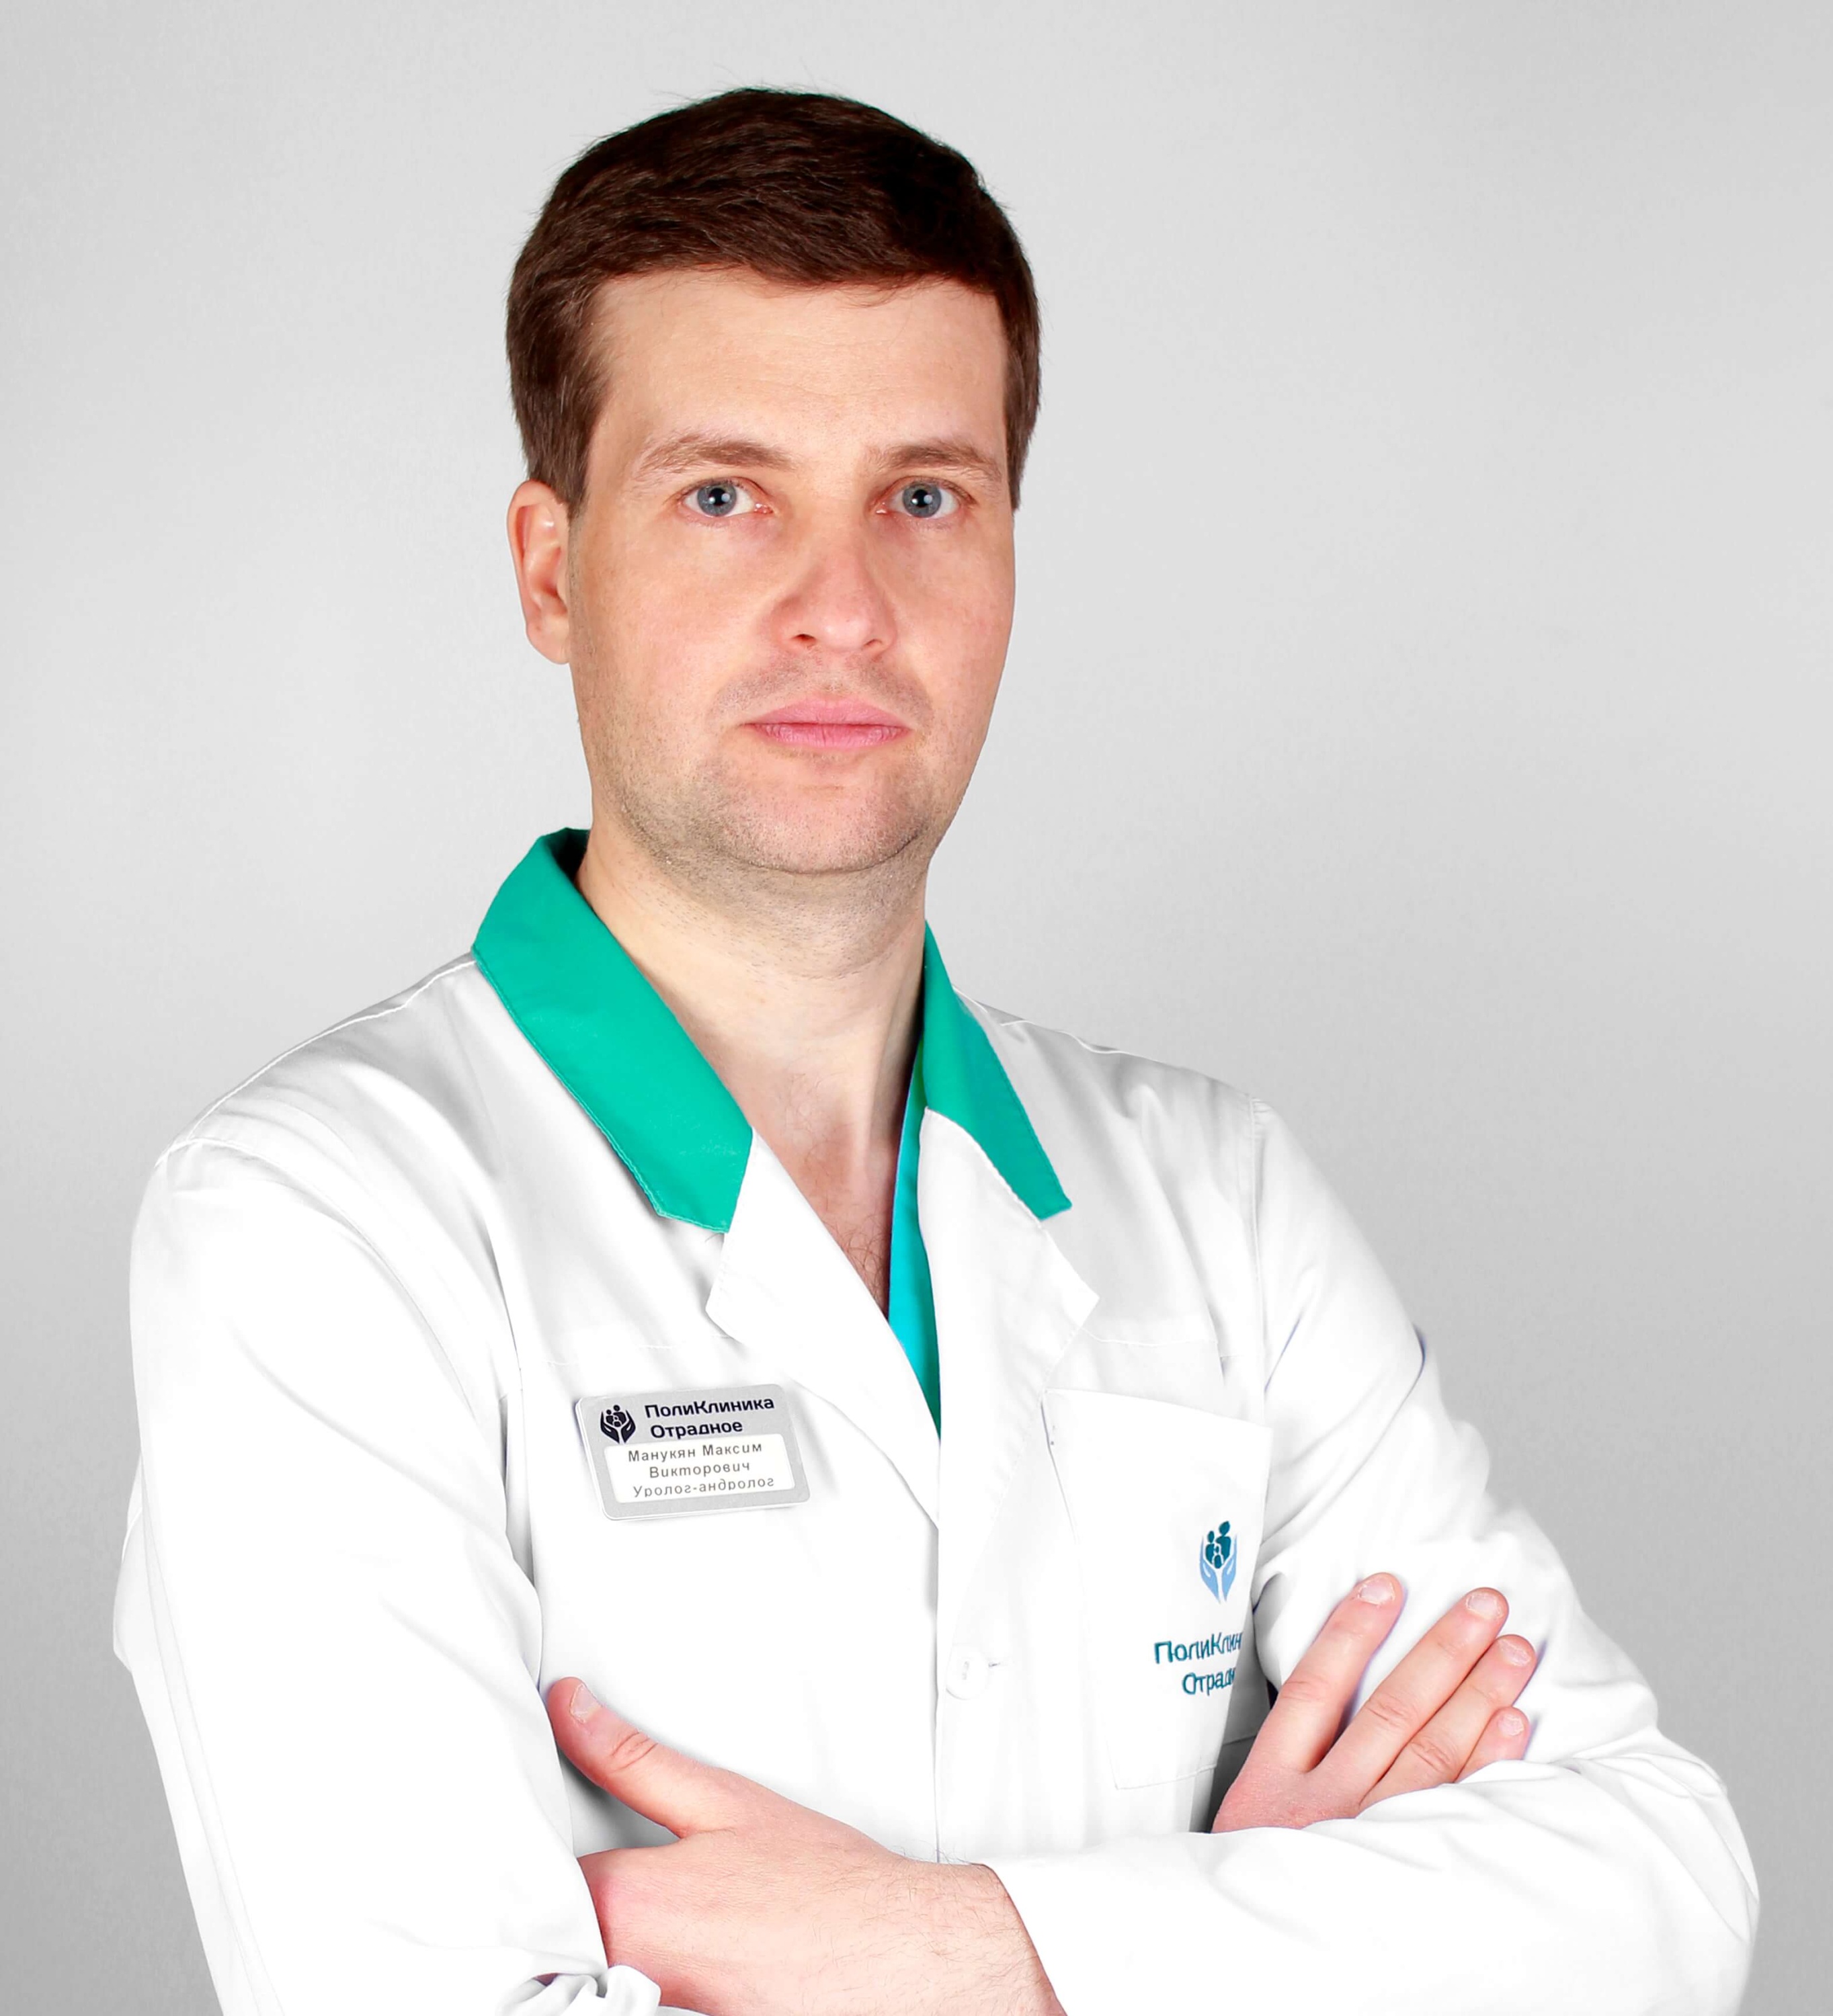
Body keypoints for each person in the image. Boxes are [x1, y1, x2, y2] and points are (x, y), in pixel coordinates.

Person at [112, 87, 1758, 2016]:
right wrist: (1250, 1936)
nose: (843, 610)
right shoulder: (319, 1220)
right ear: (552, 571)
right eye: (724, 496)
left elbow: (1659, 1892)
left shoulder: (1213, 1192)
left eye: (924, 499)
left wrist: (952, 1948)